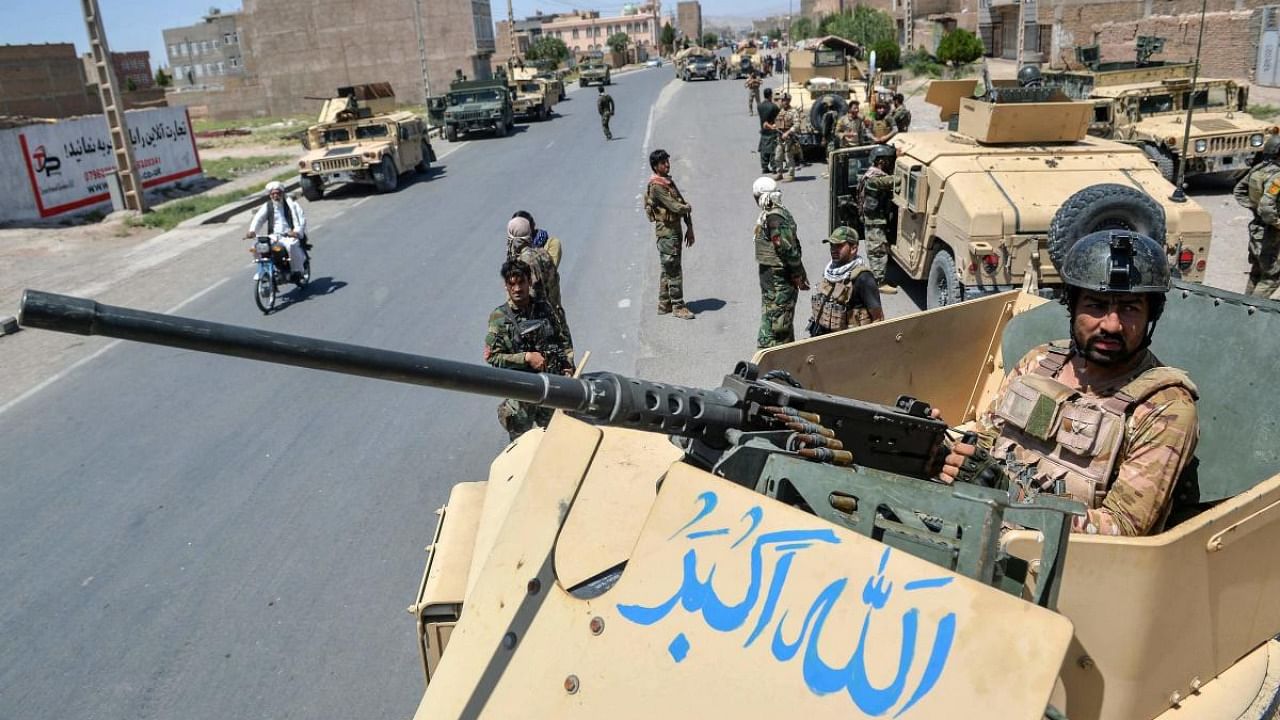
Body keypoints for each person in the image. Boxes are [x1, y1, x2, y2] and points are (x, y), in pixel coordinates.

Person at [940, 230, 1199, 537]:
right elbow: (988, 439)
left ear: (1150, 316)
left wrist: (1010, 497)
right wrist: (939, 446)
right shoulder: (1042, 364)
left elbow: (1123, 528)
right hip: (982, 525)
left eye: (1130, 308)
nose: (1111, 324)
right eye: (1096, 305)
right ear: (1072, 306)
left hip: (1066, 565)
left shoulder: (1163, 408)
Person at [484, 259, 574, 441]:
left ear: (529, 281)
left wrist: (568, 364)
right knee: (521, 445)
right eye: (512, 284)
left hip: (550, 389)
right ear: (506, 286)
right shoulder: (499, 318)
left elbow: (563, 337)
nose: (517, 289)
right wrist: (525, 358)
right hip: (521, 393)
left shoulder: (544, 307)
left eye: (521, 283)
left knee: (556, 440)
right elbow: (493, 358)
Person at [753, 176, 809, 348]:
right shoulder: (773, 214)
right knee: (777, 320)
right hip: (774, 278)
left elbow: (787, 249)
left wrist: (798, 274)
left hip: (779, 279)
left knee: (778, 323)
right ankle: (774, 358)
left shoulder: (773, 217)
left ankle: (773, 358)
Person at [645, 149, 696, 320]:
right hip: (667, 234)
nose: (667, 165)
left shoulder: (666, 182)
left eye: (667, 161)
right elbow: (676, 206)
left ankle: (664, 304)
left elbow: (679, 202)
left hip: (674, 231)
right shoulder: (657, 186)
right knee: (674, 270)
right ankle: (678, 306)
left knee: (667, 268)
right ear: (655, 166)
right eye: (662, 163)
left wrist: (689, 226)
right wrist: (687, 208)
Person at [807, 226, 884, 336]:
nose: (833, 249)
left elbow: (878, 318)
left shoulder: (863, 278)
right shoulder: (830, 273)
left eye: (838, 246)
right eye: (831, 245)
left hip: (851, 341)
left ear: (853, 249)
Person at [1232, 135, 1280, 299]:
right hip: (1271, 235)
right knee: (1272, 277)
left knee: (1257, 272)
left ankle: (1245, 308)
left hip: (1257, 230)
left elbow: (1239, 191)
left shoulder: (1259, 169)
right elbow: (1267, 207)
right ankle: (1254, 311)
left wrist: (1254, 209)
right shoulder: (1277, 177)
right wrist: (1276, 222)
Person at [246, 181, 309, 281]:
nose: (275, 196)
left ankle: (297, 270)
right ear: (270, 195)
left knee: (291, 246)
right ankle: (262, 270)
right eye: (273, 194)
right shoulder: (268, 206)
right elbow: (258, 219)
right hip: (273, 236)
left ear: (282, 193)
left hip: (288, 236)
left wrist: (296, 232)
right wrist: (252, 231)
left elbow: (301, 220)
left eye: (277, 193)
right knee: (256, 246)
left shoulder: (292, 205)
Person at [858, 145, 899, 294]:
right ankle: (879, 283)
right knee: (877, 250)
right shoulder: (874, 179)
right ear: (881, 161)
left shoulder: (872, 174)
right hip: (874, 221)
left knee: (878, 248)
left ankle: (880, 278)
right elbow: (897, 180)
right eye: (890, 161)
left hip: (875, 219)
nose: (891, 164)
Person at [773, 93, 801, 182]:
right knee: (778, 156)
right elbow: (779, 121)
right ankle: (779, 173)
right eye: (782, 100)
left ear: (789, 101)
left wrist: (788, 132)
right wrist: (775, 126)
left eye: (785, 100)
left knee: (788, 156)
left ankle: (791, 174)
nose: (783, 102)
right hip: (780, 137)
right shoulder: (781, 111)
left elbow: (797, 124)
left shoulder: (793, 112)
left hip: (789, 138)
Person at [757, 87, 781, 176]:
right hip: (772, 130)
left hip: (763, 130)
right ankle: (774, 167)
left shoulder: (759, 106)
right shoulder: (773, 107)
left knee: (763, 149)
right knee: (773, 150)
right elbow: (778, 117)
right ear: (771, 95)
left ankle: (764, 167)